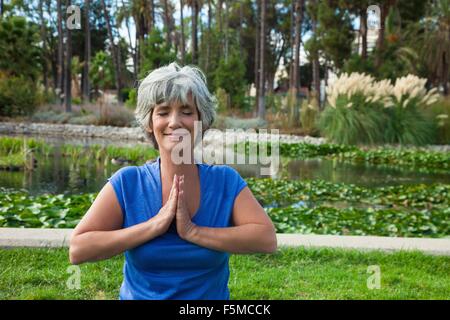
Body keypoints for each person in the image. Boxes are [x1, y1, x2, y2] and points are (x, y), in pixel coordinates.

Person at [69, 63, 277, 300]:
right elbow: (78, 249)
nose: (174, 122)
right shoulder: (128, 183)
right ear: (149, 122)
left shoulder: (225, 182)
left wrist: (193, 232)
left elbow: (266, 239)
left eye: (187, 112)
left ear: (202, 122)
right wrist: (153, 226)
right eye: (163, 111)